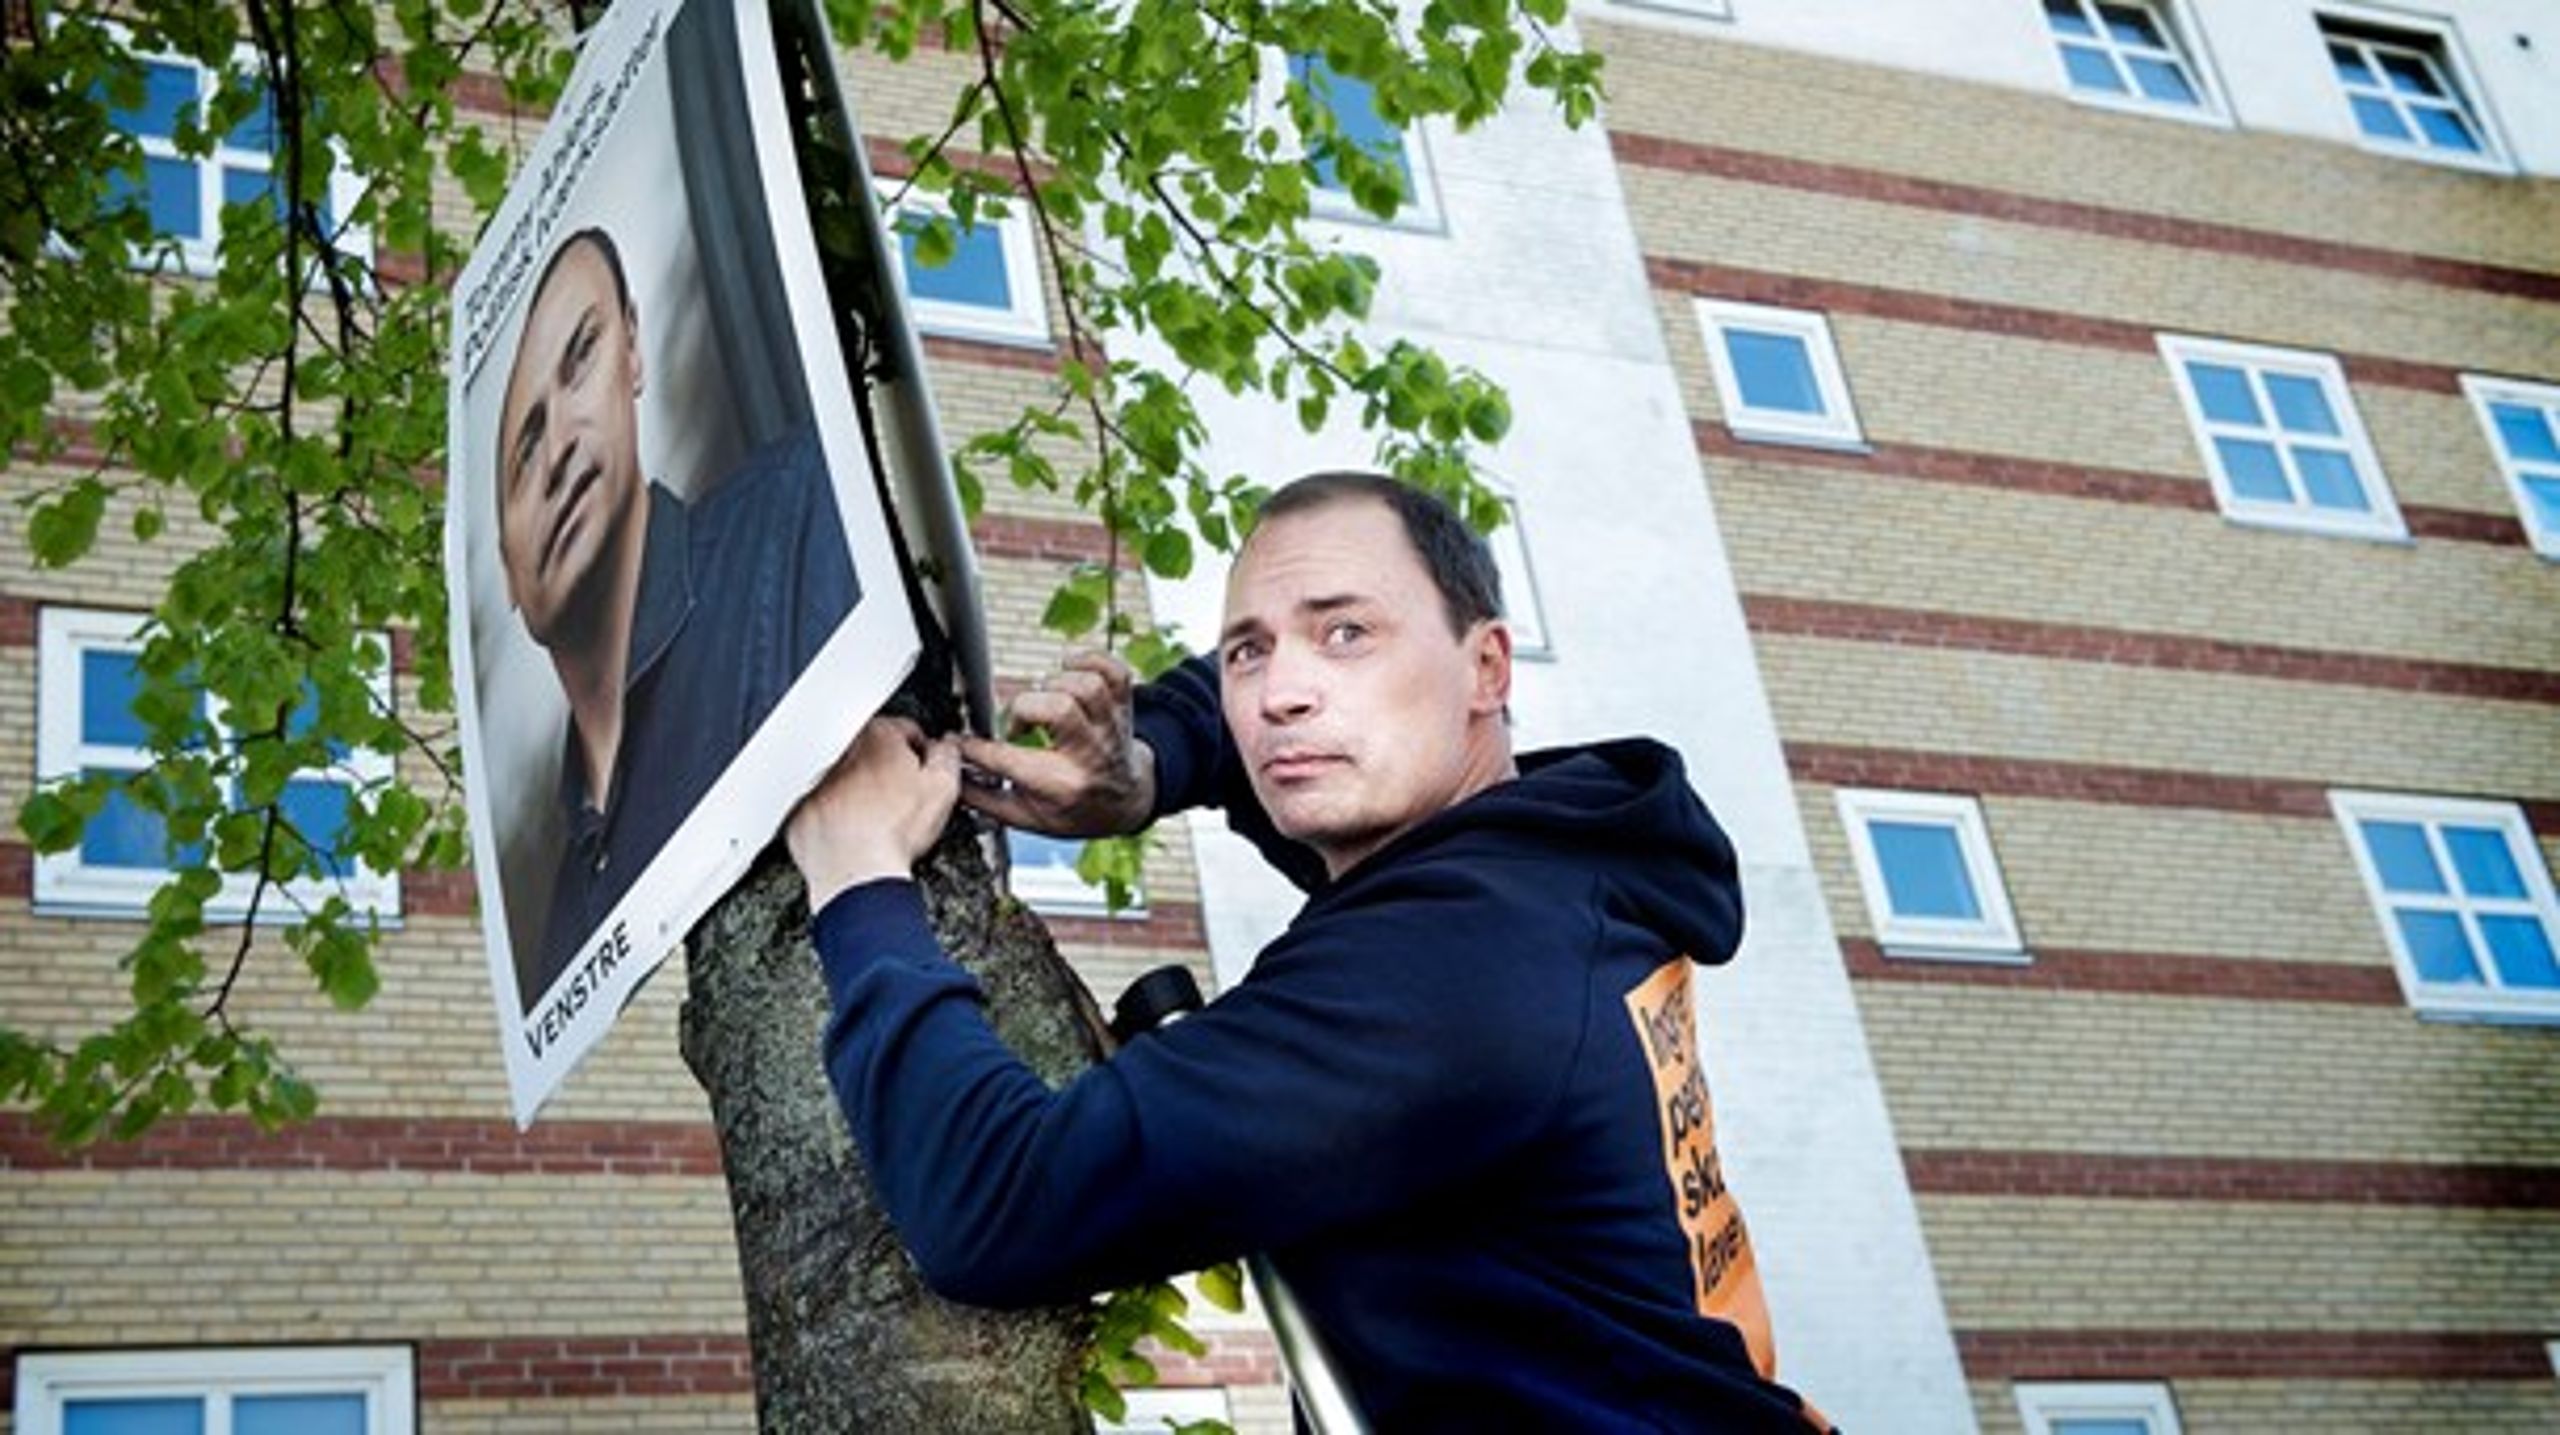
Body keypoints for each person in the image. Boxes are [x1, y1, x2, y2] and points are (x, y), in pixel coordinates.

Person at [786, 473, 1830, 1430]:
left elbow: (995, 1204)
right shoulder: (1555, 858)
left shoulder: (1448, 966)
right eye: (1252, 648)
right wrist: (1142, 772)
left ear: (1486, 666)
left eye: (1346, 634)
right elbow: (1235, 708)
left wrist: (859, 876)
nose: (1279, 692)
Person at [494, 226, 858, 1004]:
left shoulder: (796, 513)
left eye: (582, 355)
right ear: (506, 569)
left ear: (634, 351)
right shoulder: (563, 922)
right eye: (522, 454)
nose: (557, 451)